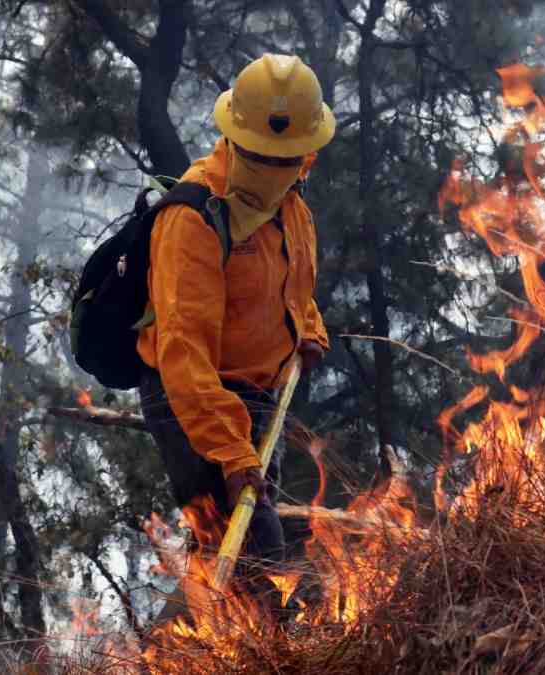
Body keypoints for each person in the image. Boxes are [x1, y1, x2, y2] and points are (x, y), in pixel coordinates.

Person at [136, 53, 332, 583]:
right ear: (236, 139)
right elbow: (183, 351)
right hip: (192, 400)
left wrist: (308, 333)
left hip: (259, 394)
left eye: (289, 157)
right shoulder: (193, 219)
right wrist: (230, 450)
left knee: (242, 559)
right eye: (266, 157)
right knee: (259, 567)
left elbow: (292, 288)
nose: (279, 169)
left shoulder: (291, 203)